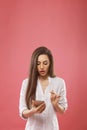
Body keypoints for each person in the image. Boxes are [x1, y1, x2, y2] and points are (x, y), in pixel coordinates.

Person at [19, 46, 68, 130]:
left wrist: (55, 104)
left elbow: (62, 110)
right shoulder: (26, 83)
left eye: (45, 63)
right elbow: (22, 112)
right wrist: (33, 111)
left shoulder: (59, 82)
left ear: (50, 64)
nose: (41, 67)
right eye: (38, 63)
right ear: (34, 65)